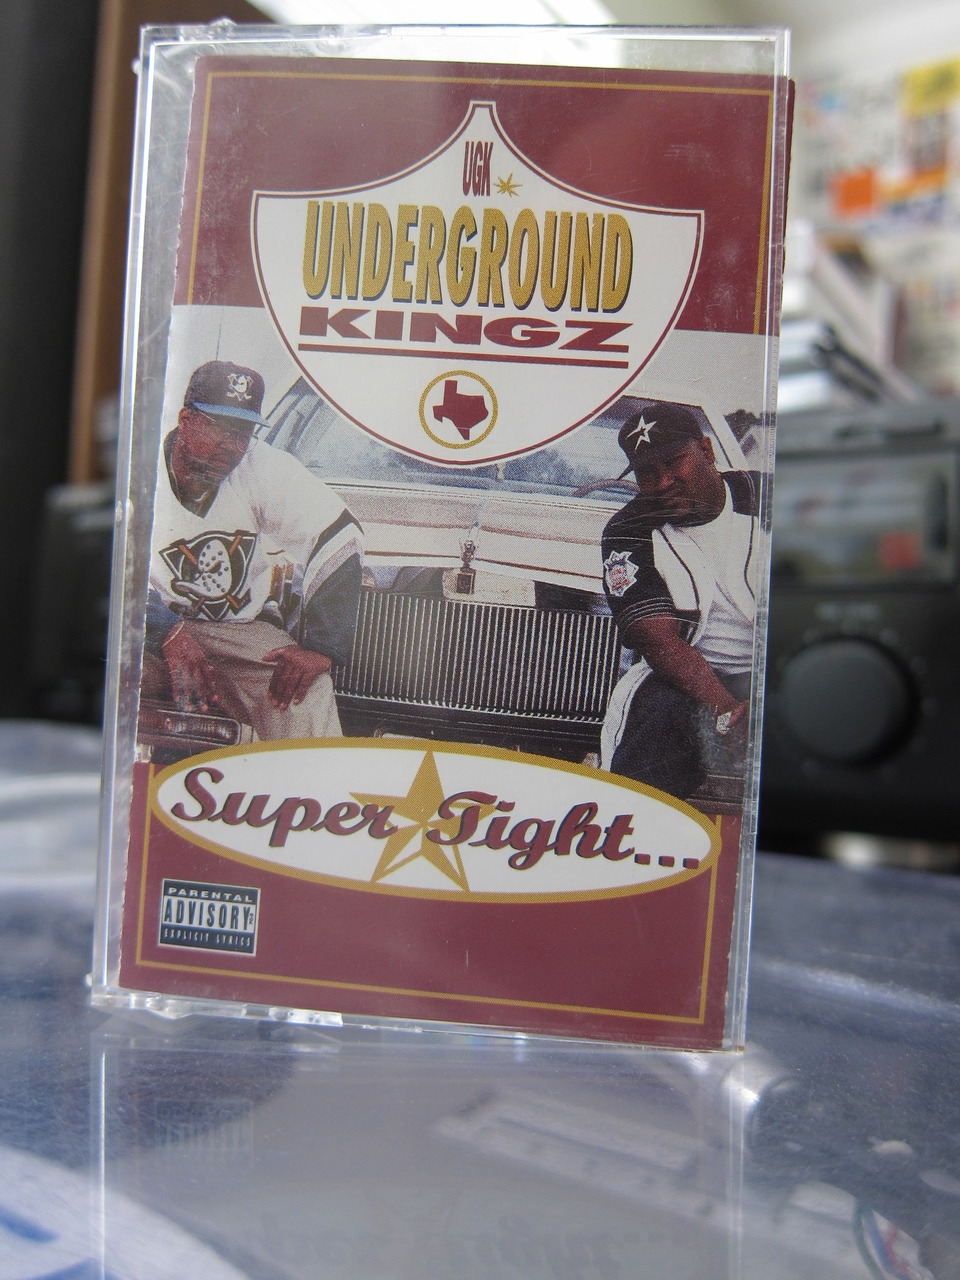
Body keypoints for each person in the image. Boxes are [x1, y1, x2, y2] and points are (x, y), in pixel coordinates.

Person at [144, 360, 363, 741]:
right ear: (186, 420)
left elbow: (338, 533)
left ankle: (313, 780)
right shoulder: (139, 469)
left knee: (304, 693)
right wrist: (167, 631)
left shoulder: (260, 467)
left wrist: (321, 647)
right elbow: (103, 565)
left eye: (243, 432)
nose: (232, 446)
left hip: (235, 631)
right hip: (146, 628)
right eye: (221, 427)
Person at [599, 401, 762, 797]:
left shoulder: (767, 495)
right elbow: (658, 642)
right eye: (647, 473)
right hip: (692, 675)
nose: (663, 482)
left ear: (706, 450)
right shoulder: (628, 529)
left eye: (674, 462)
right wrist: (727, 712)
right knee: (656, 711)